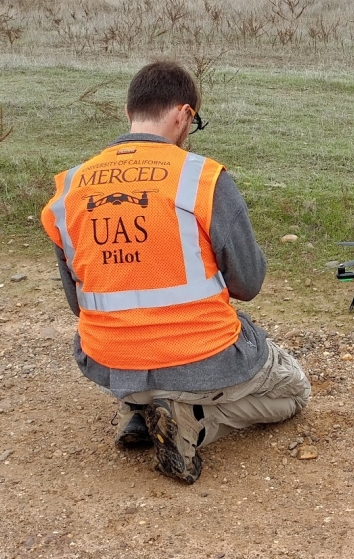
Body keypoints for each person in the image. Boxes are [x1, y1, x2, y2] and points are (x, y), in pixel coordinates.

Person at [41, 60, 311, 484]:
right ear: (183, 114)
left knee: (135, 352)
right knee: (294, 391)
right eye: (193, 122)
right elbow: (248, 284)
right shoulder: (202, 178)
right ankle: (194, 423)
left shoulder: (69, 188)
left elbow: (78, 302)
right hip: (200, 356)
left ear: (129, 111)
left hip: (108, 359)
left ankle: (136, 409)